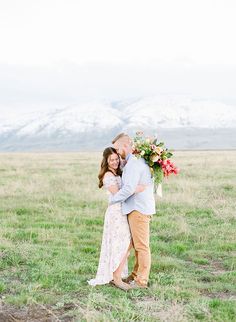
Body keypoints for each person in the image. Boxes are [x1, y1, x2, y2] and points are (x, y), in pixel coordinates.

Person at [88, 147, 146, 291]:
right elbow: (118, 195)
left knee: (125, 243)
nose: (114, 162)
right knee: (124, 243)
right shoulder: (108, 176)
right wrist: (135, 189)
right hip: (115, 213)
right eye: (111, 160)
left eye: (116, 159)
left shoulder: (118, 171)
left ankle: (117, 274)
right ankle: (117, 277)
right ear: (106, 161)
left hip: (123, 211)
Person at [110, 133, 156, 289]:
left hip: (138, 208)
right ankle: (135, 275)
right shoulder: (132, 162)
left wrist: (113, 200)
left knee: (142, 246)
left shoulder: (134, 163)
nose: (116, 153)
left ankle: (141, 281)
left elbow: (129, 188)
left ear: (125, 146)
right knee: (137, 244)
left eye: (117, 149)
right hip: (137, 207)